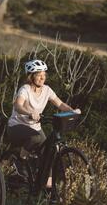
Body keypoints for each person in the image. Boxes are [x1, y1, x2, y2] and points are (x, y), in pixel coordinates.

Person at [7, 59, 80, 188]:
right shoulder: (25, 89)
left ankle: (47, 184)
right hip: (17, 126)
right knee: (36, 137)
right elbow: (18, 105)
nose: (42, 77)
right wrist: (29, 112)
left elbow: (60, 104)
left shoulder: (47, 90)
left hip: (35, 127)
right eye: (39, 74)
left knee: (49, 151)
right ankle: (20, 161)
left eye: (44, 74)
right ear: (31, 76)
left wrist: (72, 111)